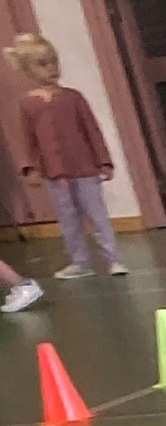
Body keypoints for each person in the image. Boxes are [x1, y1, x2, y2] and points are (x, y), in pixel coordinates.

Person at [8, 36, 123, 280]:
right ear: (28, 70)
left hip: (85, 169)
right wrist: (31, 168)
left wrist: (103, 161)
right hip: (54, 173)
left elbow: (92, 131)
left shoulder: (74, 98)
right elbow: (28, 140)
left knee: (97, 214)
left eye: (53, 62)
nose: (51, 68)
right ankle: (80, 261)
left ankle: (113, 259)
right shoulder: (28, 104)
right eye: (43, 64)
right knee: (68, 218)